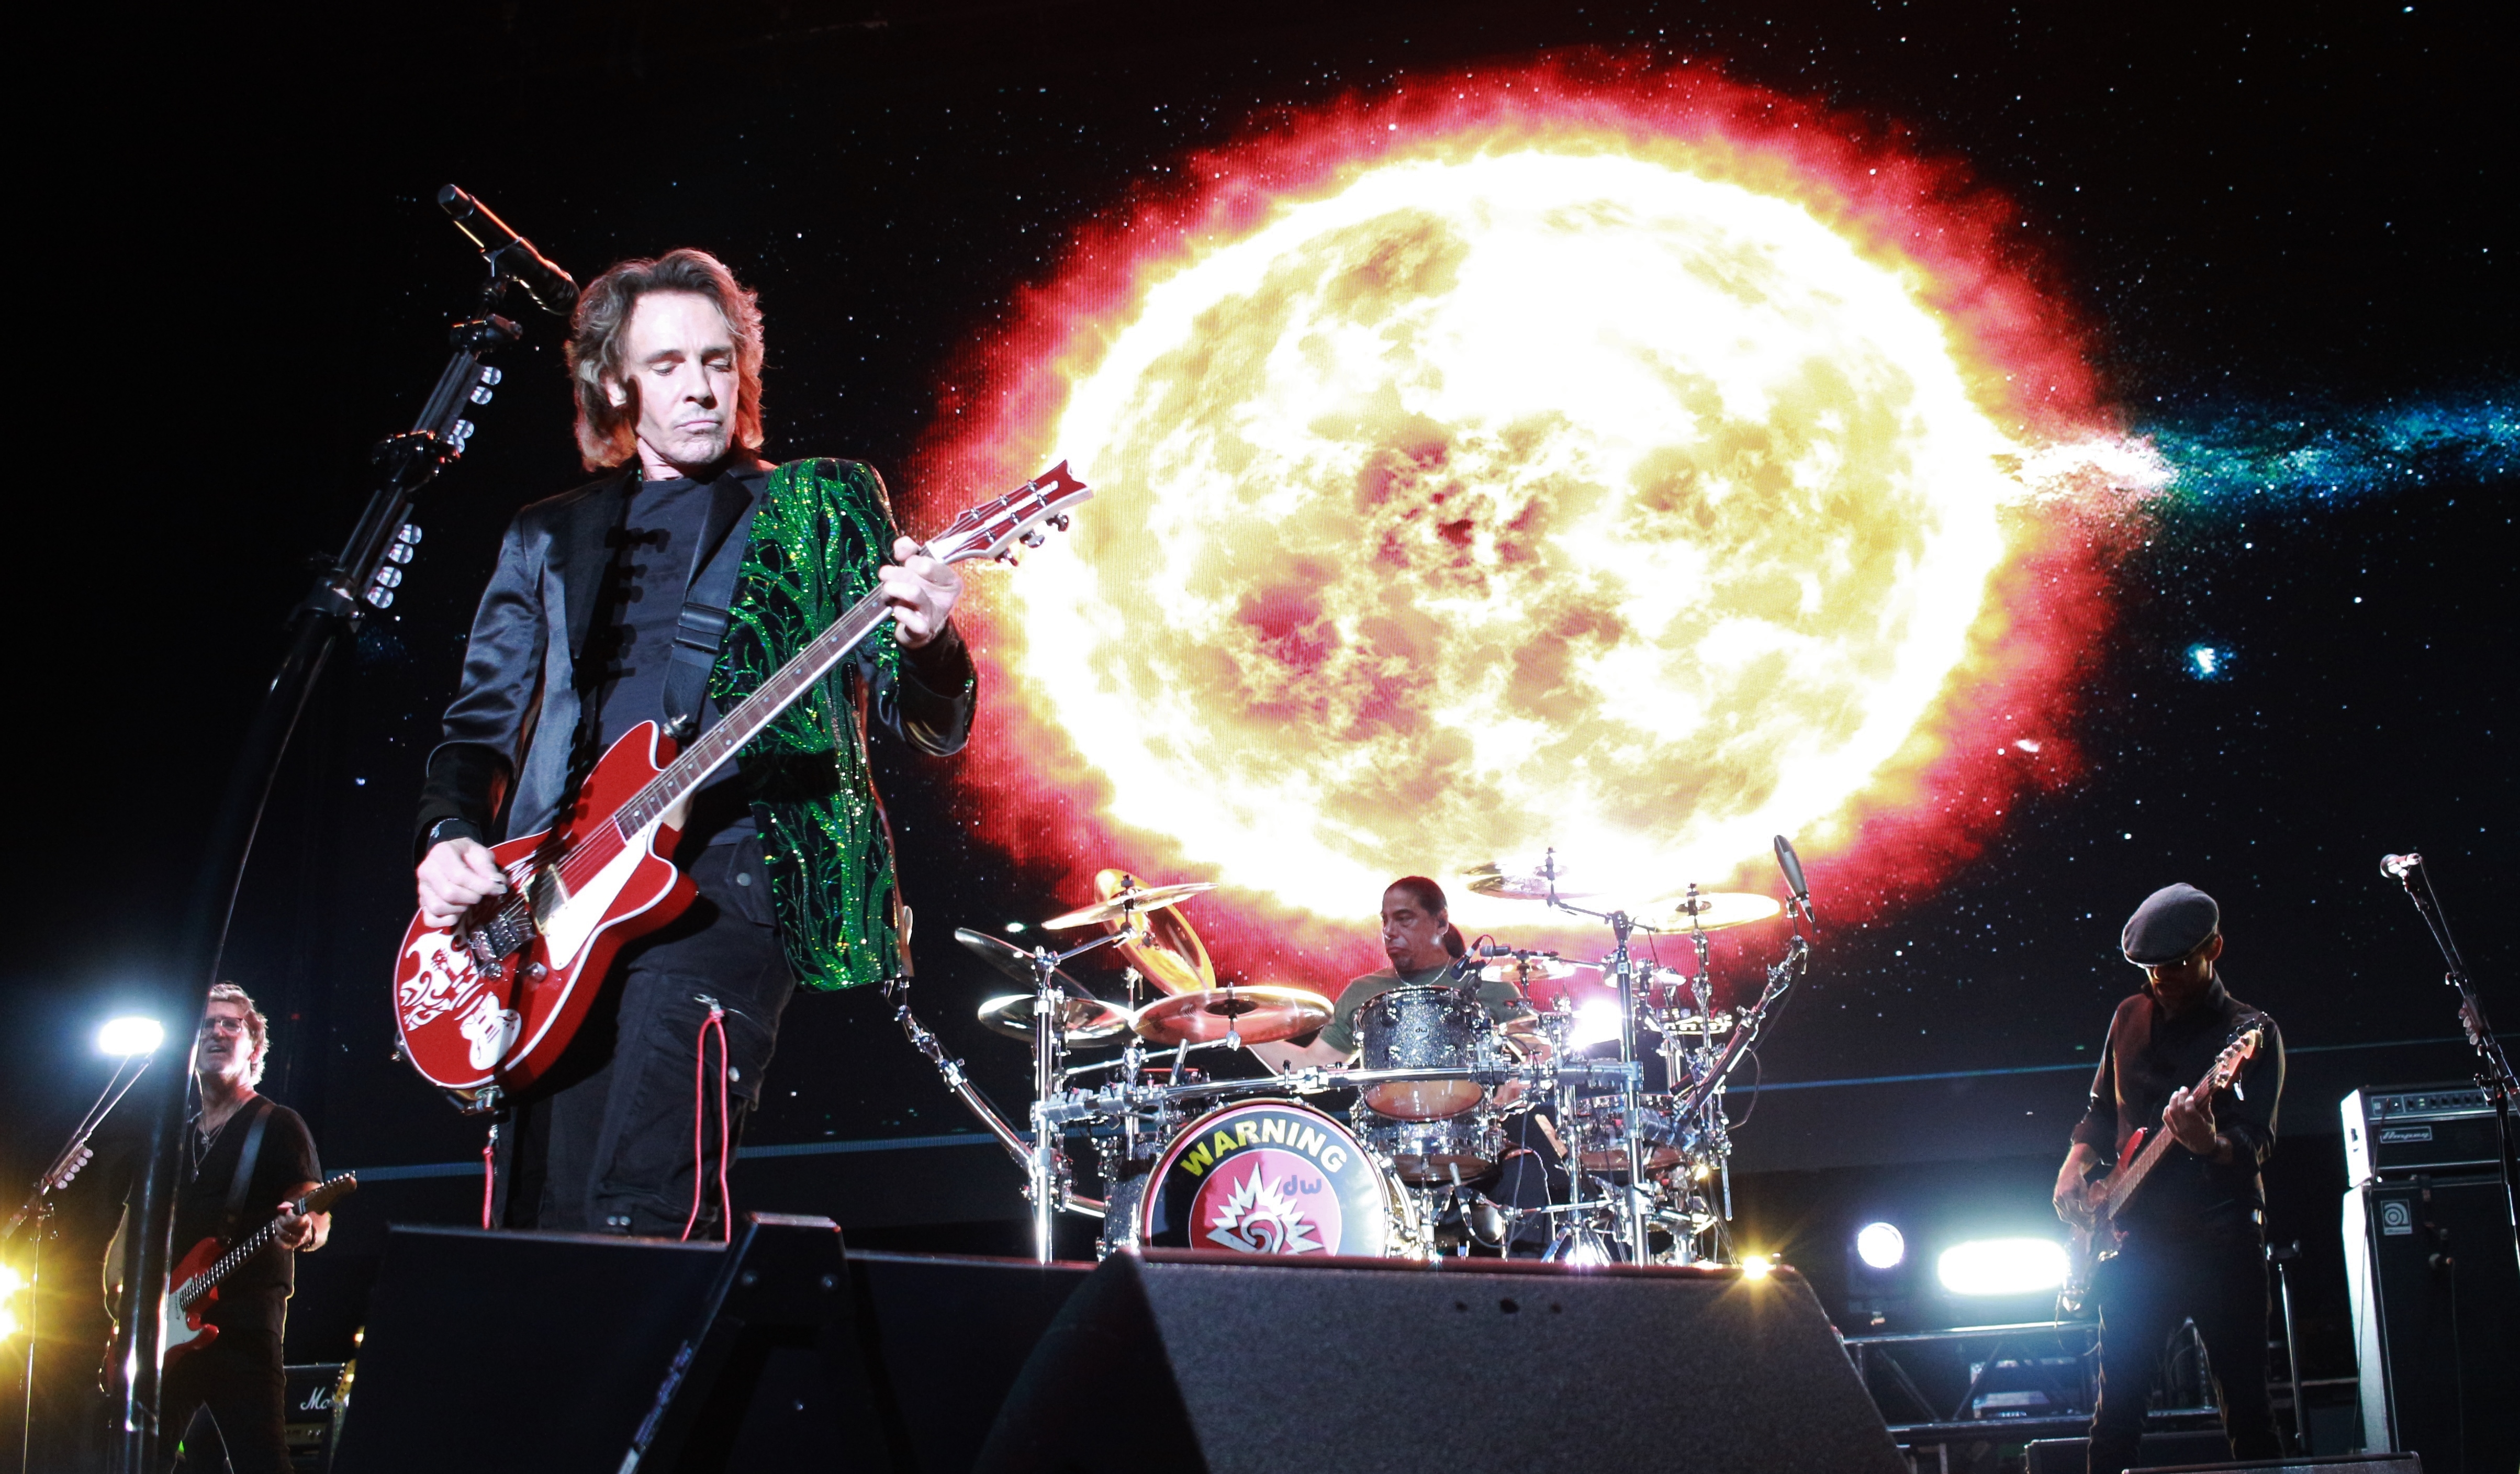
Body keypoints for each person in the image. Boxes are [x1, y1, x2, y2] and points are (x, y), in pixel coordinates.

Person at [411, 249, 975, 1235]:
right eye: (666, 365)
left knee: (639, 1204)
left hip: (728, 882)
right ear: (615, 383)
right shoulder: (546, 534)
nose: (701, 388)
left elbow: (927, 722)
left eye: (718, 361)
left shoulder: (811, 508)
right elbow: (481, 722)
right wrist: (450, 833)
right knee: (538, 1220)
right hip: (554, 897)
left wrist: (929, 640)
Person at [2053, 883, 2285, 1474]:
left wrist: (2208, 1144)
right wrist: (2075, 1163)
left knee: (2249, 1413)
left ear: (2214, 948)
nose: (2161, 978)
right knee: (2115, 1417)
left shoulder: (2249, 1032)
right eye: (2150, 968)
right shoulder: (2128, 1016)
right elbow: (2101, 1111)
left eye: (2177, 964)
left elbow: (2257, 1142)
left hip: (2221, 1243)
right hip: (2135, 1245)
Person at [159, 984, 330, 1473]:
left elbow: (314, 1206)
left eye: (231, 1024)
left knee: (263, 1463)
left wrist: (305, 1227)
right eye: (206, 1024)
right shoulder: (176, 1139)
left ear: (254, 1048)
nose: (216, 1031)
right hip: (170, 1328)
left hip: (245, 1328)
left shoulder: (277, 1123)